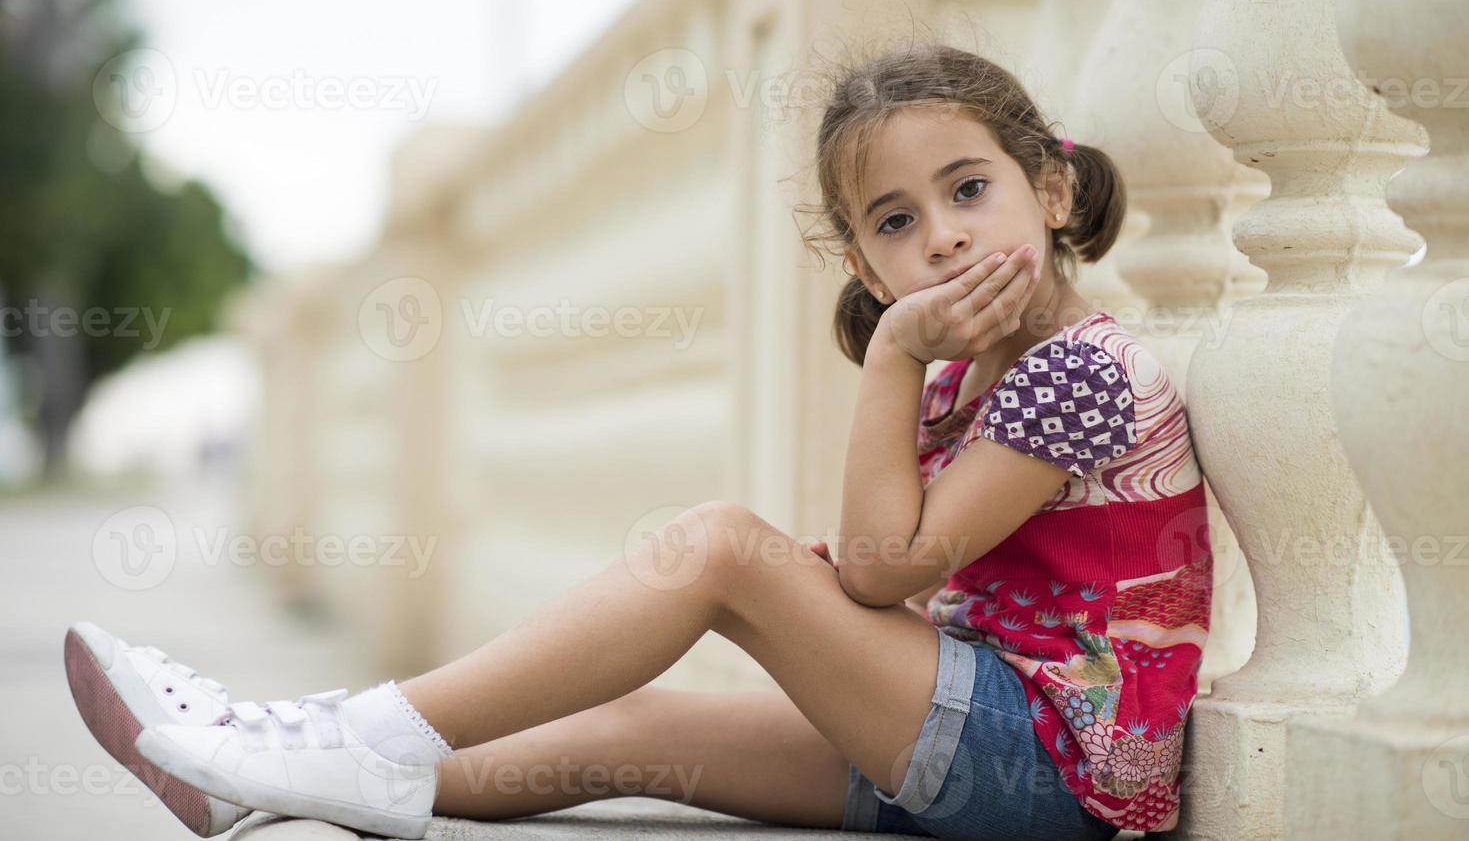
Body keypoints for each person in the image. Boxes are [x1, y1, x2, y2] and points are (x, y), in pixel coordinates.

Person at [64, 43, 1211, 840]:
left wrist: (891, 360)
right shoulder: (975, 369)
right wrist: (839, 568)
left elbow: (882, 565)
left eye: (969, 190)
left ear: (1051, 190)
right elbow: (899, 568)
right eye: (897, 222)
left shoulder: (1077, 368)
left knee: (713, 545)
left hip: (1046, 770)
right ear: (866, 267)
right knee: (628, 732)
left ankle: (333, 727)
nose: (946, 240)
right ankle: (261, 768)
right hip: (981, 732)